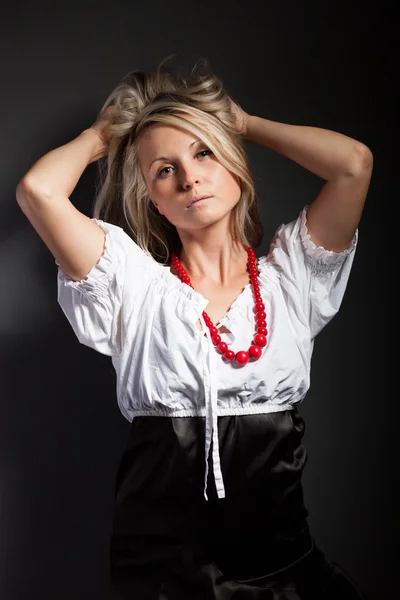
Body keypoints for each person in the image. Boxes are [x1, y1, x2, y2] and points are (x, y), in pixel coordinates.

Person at [16, 58, 373, 599]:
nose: (189, 177)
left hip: (279, 569)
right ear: (153, 200)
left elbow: (353, 163)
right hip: (162, 575)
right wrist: (100, 135)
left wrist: (246, 123)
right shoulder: (133, 285)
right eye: (164, 169)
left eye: (204, 152)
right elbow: (40, 191)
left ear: (232, 162)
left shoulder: (291, 279)